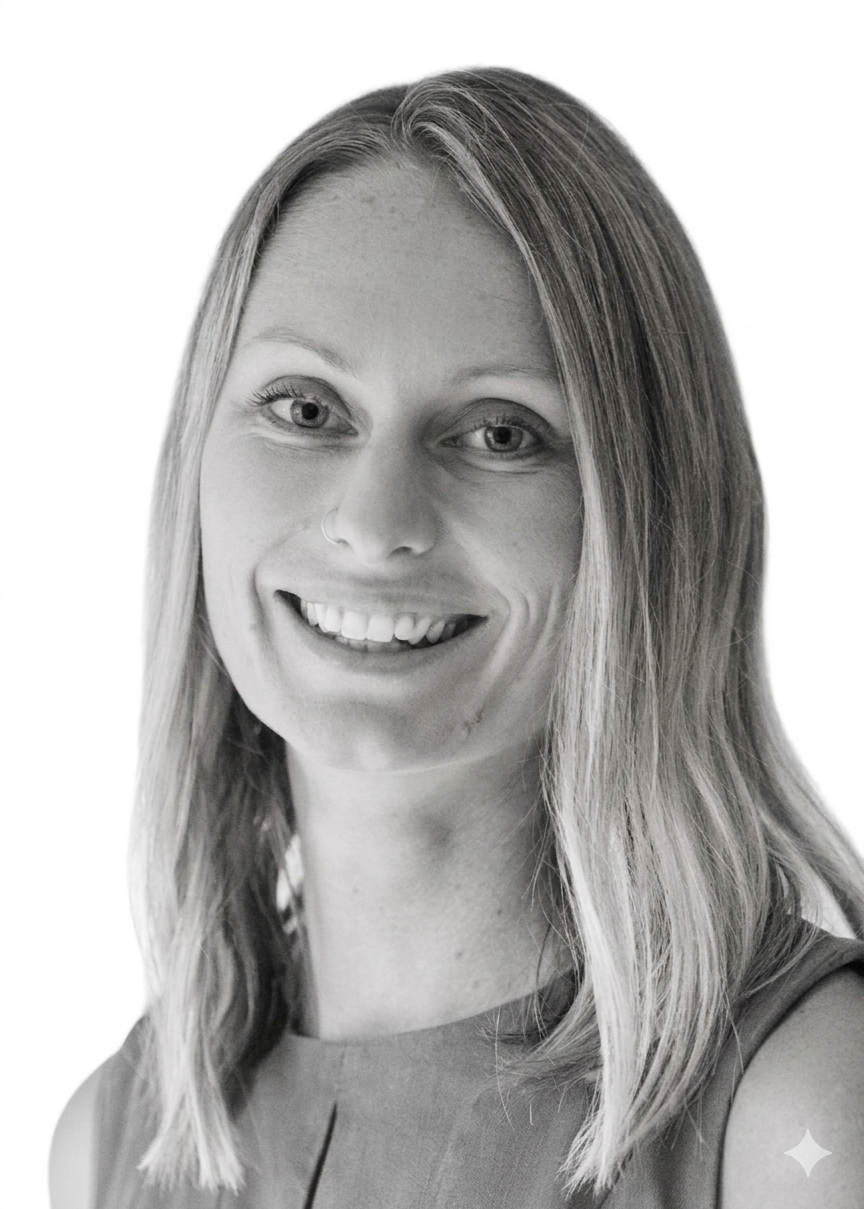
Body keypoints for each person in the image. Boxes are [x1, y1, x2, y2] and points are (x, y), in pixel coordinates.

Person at [49, 68, 864, 1209]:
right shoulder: (112, 1140)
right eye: (307, 409)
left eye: (499, 432)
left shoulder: (801, 1107)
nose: (377, 522)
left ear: (649, 515)